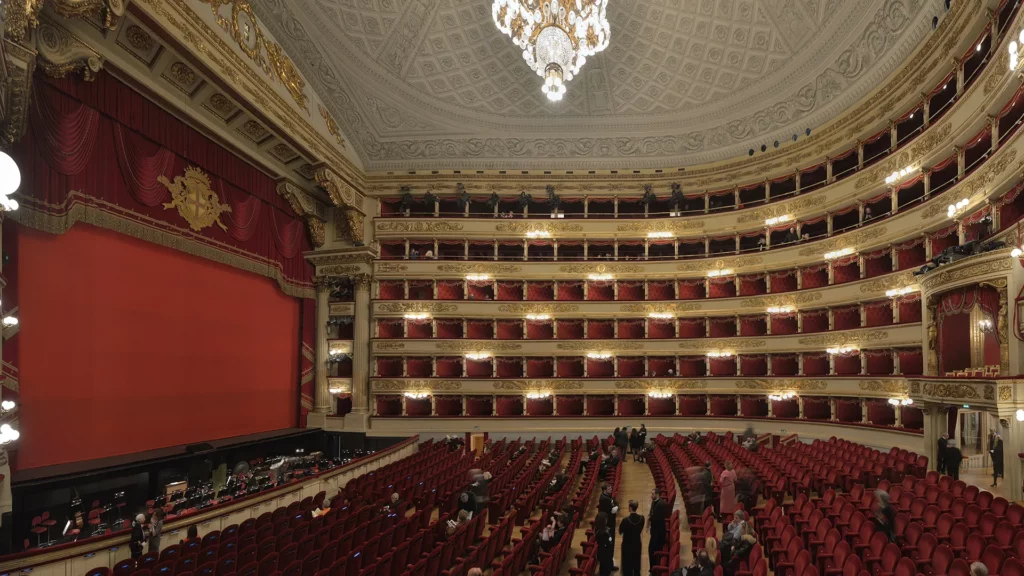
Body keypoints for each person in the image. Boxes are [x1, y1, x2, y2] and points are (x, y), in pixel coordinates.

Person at [618, 500, 644, 576]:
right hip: (637, 543)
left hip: (627, 544)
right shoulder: (642, 518)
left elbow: (620, 531)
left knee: (627, 563)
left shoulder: (625, 520)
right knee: (636, 562)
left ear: (630, 508)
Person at [649, 487, 670, 568]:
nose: (651, 495)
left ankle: (653, 568)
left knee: (653, 550)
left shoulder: (661, 504)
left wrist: (650, 518)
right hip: (655, 530)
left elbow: (656, 518)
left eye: (653, 494)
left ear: (657, 495)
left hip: (658, 532)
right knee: (652, 550)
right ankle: (653, 567)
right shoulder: (655, 502)